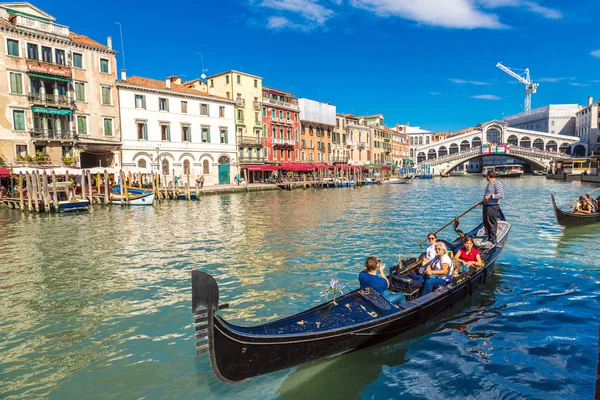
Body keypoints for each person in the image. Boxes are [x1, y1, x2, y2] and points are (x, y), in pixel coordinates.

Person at [482, 170, 504, 244]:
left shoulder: (497, 183)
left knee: (492, 222)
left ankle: (493, 238)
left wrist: (491, 196)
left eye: (486, 176)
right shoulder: (489, 184)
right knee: (486, 222)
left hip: (492, 206)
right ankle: (487, 236)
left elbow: (501, 195)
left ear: (488, 176)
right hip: (486, 205)